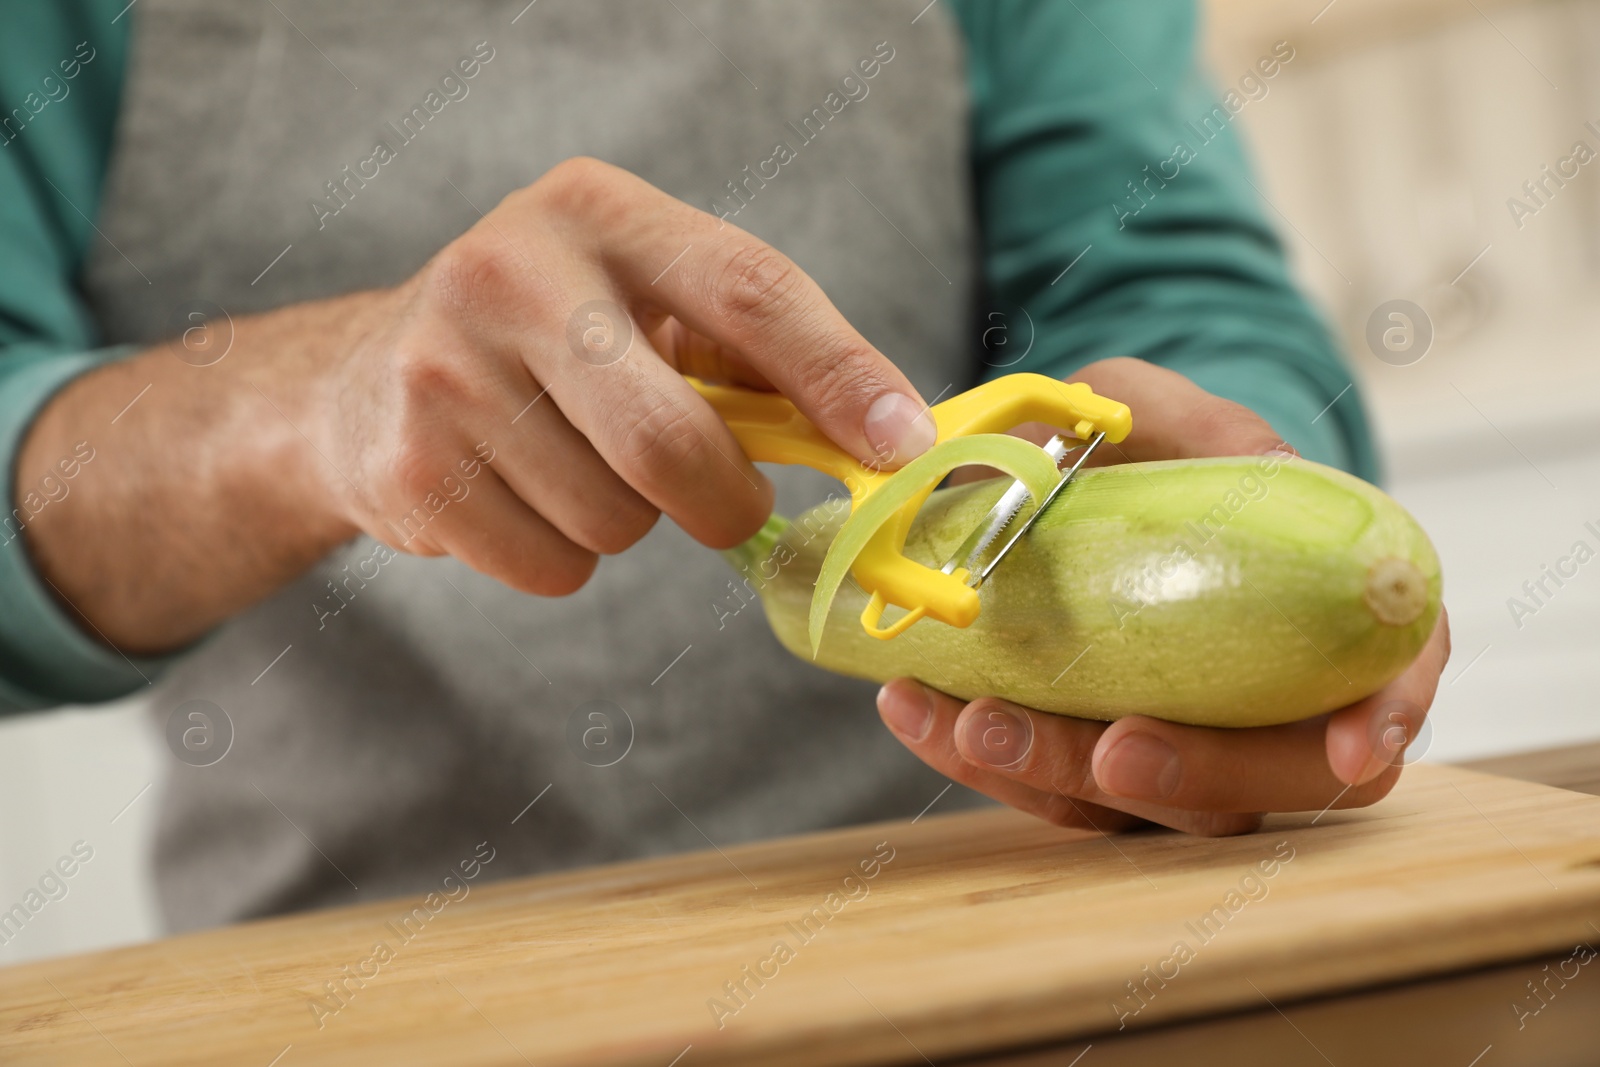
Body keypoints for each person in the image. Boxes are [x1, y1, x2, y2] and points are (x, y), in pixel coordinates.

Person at [0, 0, 1448, 931]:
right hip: (347, 991)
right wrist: (298, 408)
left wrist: (1247, 531)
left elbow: (1175, 286)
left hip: (1014, 926)